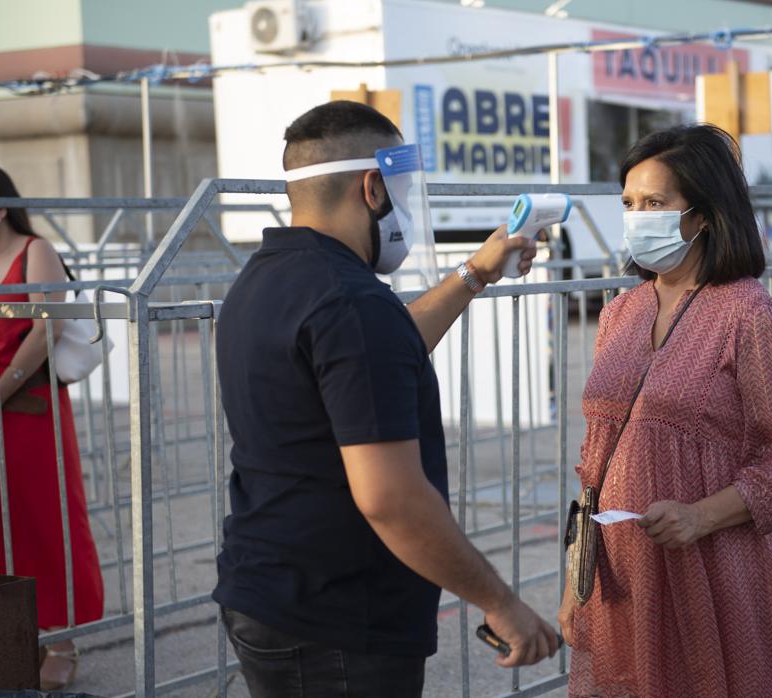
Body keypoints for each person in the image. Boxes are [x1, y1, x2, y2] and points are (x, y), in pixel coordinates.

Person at [212, 101, 559, 698]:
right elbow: (391, 498)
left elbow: (381, 349)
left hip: (270, 592)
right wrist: (500, 602)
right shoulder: (352, 304)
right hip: (341, 620)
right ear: (373, 187)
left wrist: (475, 272)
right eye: (400, 189)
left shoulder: (267, 276)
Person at [557, 124, 772, 697]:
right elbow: (594, 458)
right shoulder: (621, 313)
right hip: (624, 574)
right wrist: (574, 577)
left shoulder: (747, 315)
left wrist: (700, 516)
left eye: (655, 202)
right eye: (629, 203)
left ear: (701, 216)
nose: (637, 216)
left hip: (716, 576)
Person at [0, 165, 105, 691]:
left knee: (45, 517)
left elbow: (46, 325)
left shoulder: (35, 250)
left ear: (1, 206)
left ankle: (62, 639)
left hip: (27, 407)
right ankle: (13, 635)